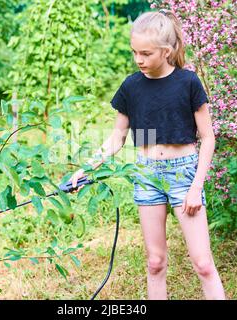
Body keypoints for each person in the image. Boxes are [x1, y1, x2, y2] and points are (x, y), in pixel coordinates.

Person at [68, 9, 226, 300]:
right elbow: (117, 136)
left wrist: (196, 187)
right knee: (155, 263)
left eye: (146, 53)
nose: (138, 59)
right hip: (146, 174)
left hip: (184, 175)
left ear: (166, 51)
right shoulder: (131, 86)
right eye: (134, 53)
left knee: (203, 264)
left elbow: (208, 138)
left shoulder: (188, 82)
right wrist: (87, 168)